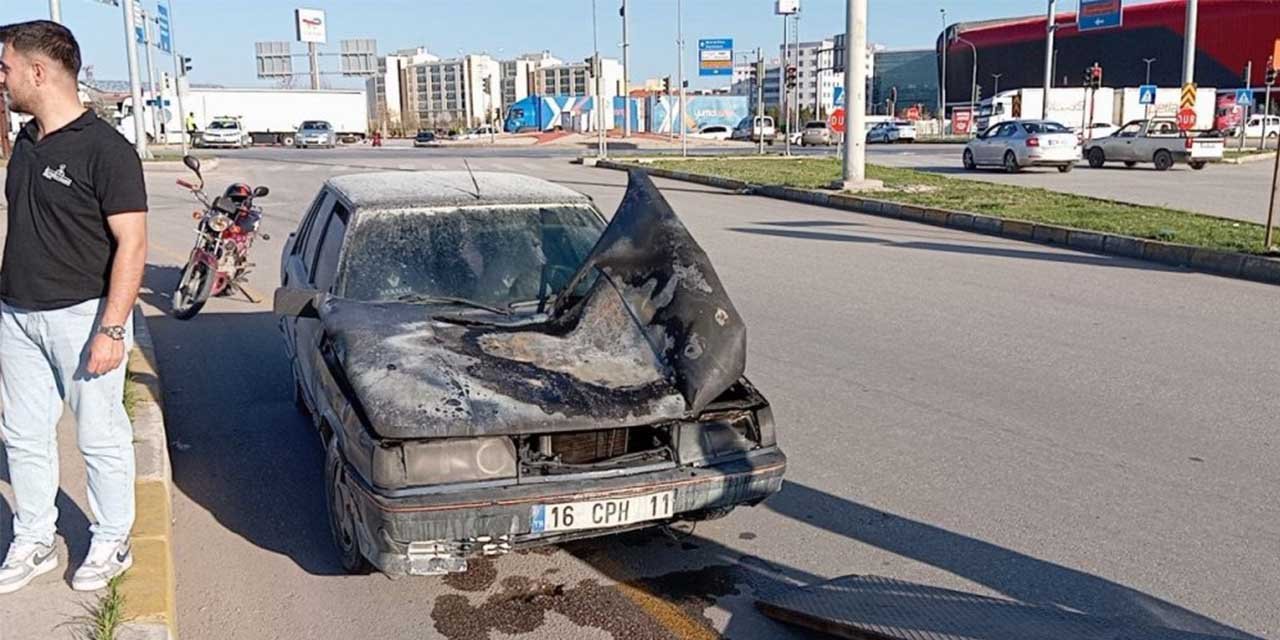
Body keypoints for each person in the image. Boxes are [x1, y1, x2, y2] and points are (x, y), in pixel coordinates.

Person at [0, 21, 148, 594]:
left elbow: (132, 245)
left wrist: (112, 328)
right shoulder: (28, 144)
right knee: (23, 436)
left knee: (100, 435)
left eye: (6, 66)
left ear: (38, 72)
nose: (2, 78)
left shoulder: (107, 151)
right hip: (18, 315)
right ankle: (35, 536)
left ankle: (112, 539)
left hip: (83, 317)